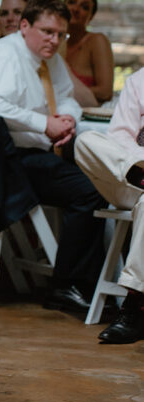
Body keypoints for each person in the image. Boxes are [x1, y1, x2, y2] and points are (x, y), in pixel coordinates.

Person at [0, 0, 106, 312]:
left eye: (60, 34)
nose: (55, 41)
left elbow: (67, 95)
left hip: (33, 155)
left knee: (99, 179)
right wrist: (45, 124)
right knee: (89, 190)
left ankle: (87, 282)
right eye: (47, 32)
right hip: (3, 162)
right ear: (25, 26)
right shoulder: (4, 55)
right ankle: (67, 285)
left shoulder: (49, 56)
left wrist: (69, 117)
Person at [75, 69, 144, 343]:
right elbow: (118, 137)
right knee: (86, 142)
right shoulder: (138, 81)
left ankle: (135, 308)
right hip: (128, 179)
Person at [63, 0, 114, 105]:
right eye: (71, 2)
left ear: (90, 17)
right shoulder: (53, 43)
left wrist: (64, 94)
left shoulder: (97, 41)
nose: (75, 9)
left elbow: (105, 92)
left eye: (84, 7)